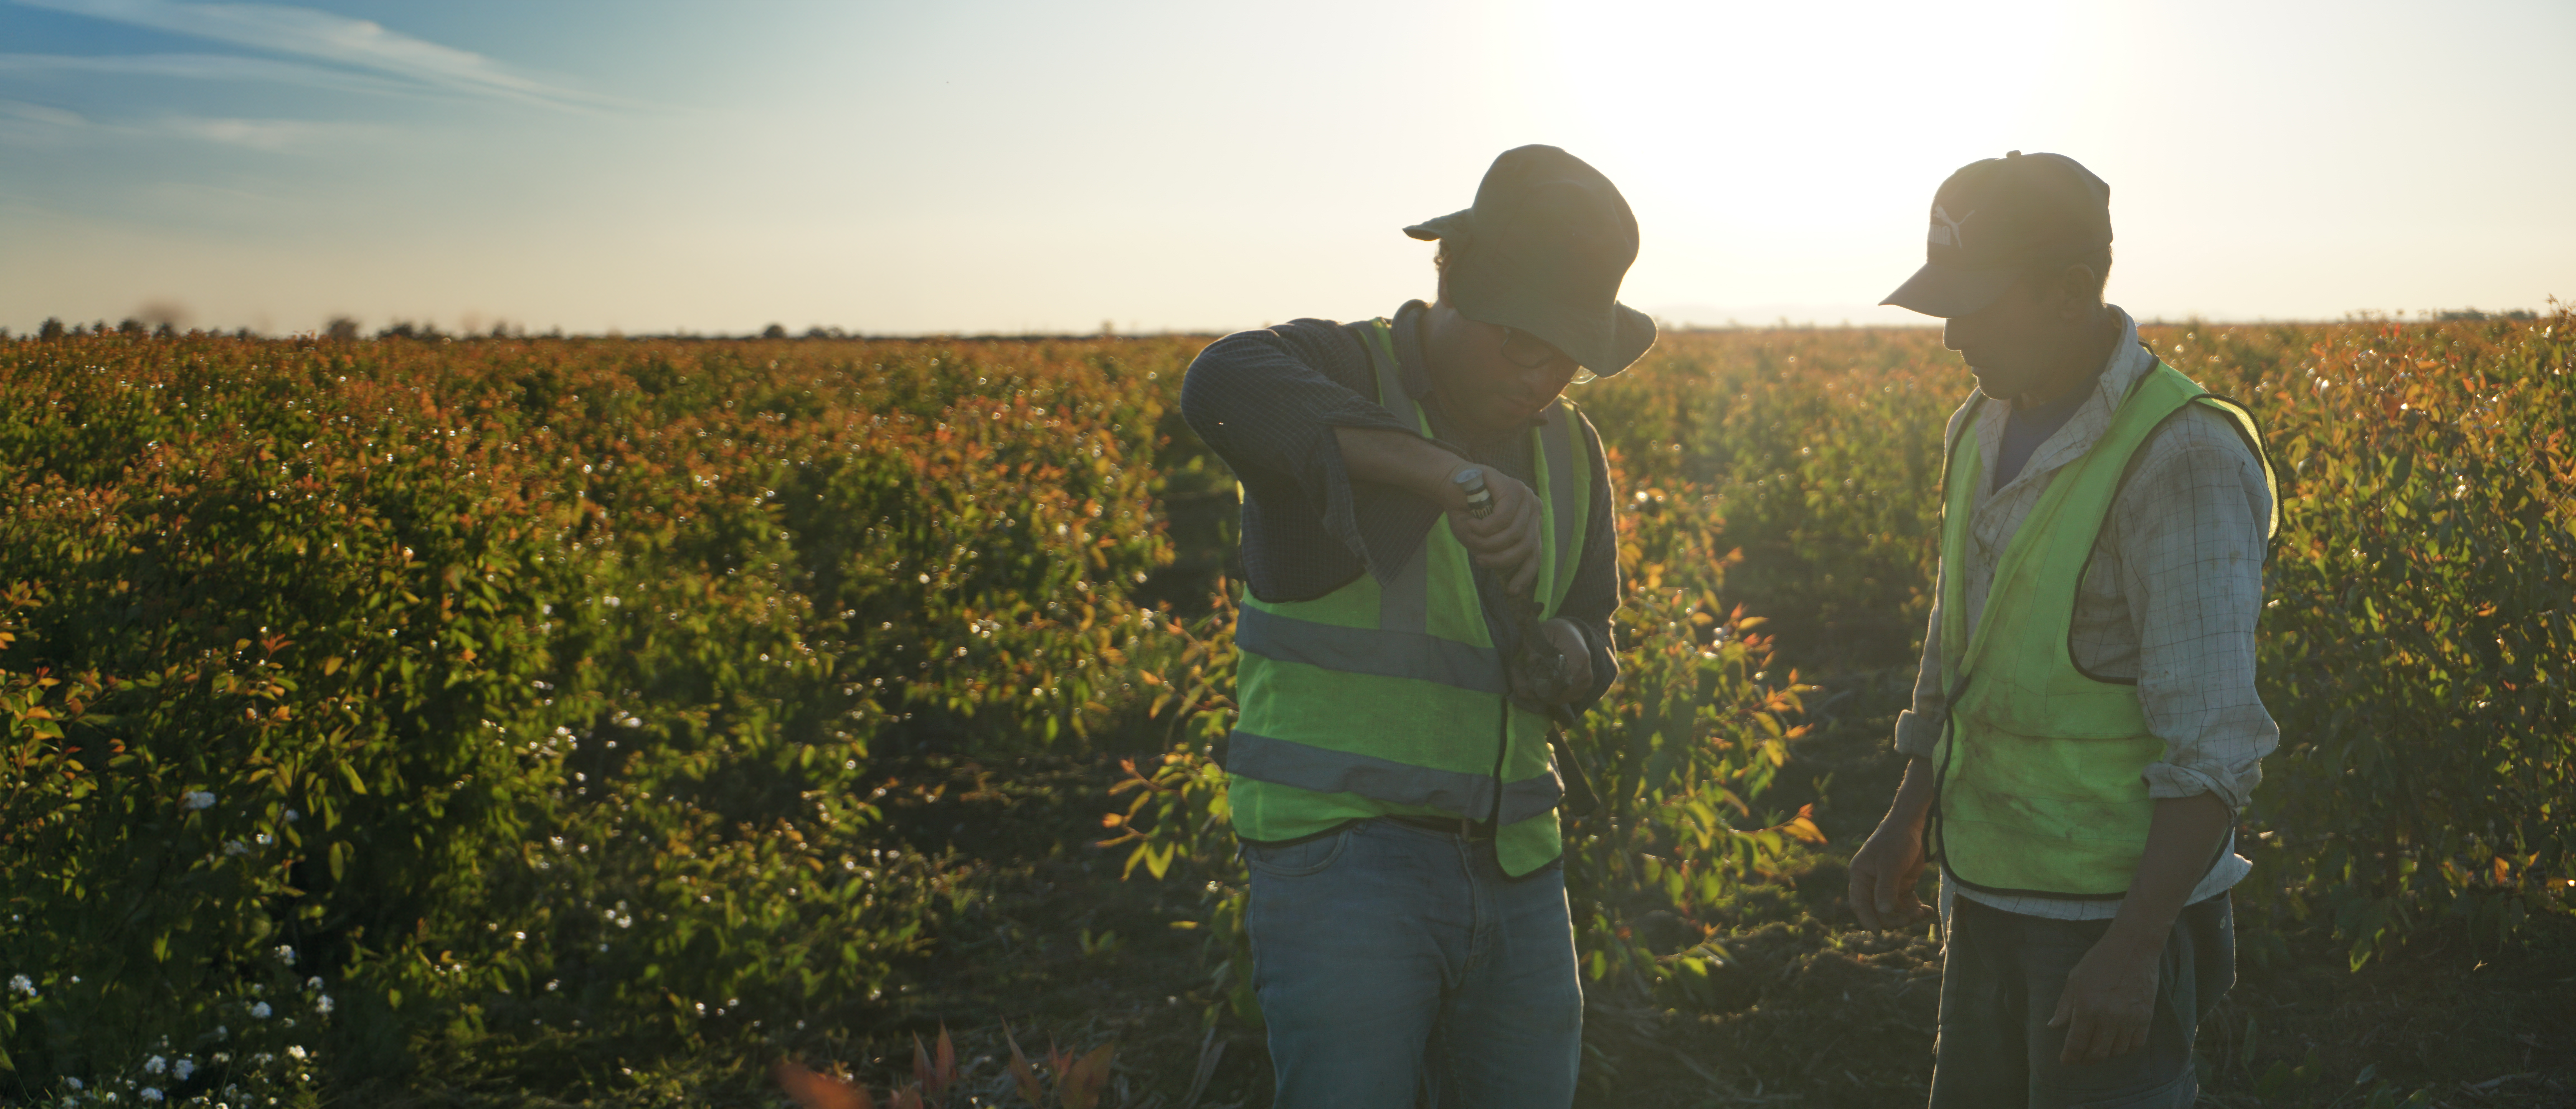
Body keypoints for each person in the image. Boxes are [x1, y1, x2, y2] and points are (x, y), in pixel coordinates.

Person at [1178, 144, 1653, 1109]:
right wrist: (1441, 473)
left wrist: (1568, 657)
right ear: (1447, 280)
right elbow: (1220, 382)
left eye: (1565, 354)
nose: (1540, 375)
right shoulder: (1342, 369)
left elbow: (1596, 624)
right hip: (1345, 858)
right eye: (1519, 340)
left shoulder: (1572, 446)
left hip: (1518, 858)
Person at [1846, 150, 2281, 1108]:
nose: (1952, 334)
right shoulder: (1978, 426)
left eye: (1976, 303)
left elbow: (2214, 748)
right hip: (1990, 890)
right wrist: (1909, 809)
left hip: (2112, 924)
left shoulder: (2185, 458)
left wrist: (2134, 950)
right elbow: (1955, 645)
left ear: (2070, 293)